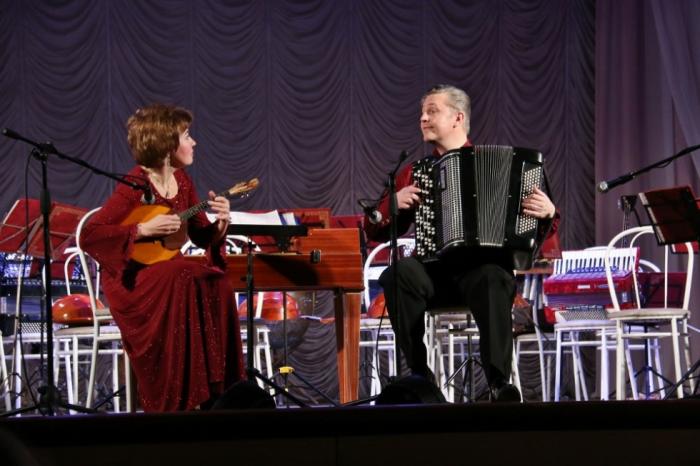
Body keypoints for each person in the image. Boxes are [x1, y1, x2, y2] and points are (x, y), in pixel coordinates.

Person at [364, 84, 559, 402]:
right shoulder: (414, 173)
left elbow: (542, 232)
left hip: (482, 275)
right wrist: (392, 204)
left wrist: (548, 212)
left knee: (493, 275)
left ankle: (498, 382)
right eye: (422, 113)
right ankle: (419, 375)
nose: (423, 119)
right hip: (435, 276)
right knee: (397, 274)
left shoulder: (509, 166)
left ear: (458, 117)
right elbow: (373, 230)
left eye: (432, 111)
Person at [80, 103, 244, 411]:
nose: (194, 142)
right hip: (134, 278)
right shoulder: (136, 184)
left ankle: (219, 391)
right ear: (167, 144)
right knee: (182, 274)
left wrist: (221, 222)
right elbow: (90, 236)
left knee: (218, 281)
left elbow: (201, 235)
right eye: (187, 136)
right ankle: (181, 398)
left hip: (169, 270)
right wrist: (142, 229)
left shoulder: (183, 181)